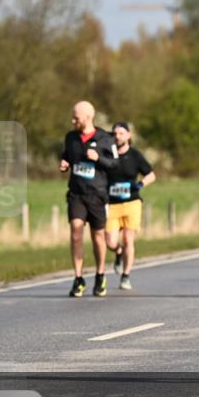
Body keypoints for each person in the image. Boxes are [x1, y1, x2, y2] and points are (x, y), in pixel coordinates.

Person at [60, 101, 118, 297]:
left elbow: (114, 164)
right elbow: (67, 155)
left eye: (76, 117)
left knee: (98, 237)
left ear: (87, 118)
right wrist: (65, 162)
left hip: (97, 194)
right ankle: (78, 278)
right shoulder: (71, 138)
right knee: (76, 231)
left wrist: (98, 159)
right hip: (76, 193)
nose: (73, 120)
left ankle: (100, 275)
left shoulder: (105, 139)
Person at [105, 122, 155, 290]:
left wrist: (140, 185)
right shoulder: (108, 155)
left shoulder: (135, 156)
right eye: (114, 134)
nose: (117, 136)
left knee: (128, 239)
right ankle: (118, 253)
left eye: (121, 133)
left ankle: (126, 276)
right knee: (110, 242)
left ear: (128, 136)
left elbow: (151, 174)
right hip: (112, 203)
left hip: (132, 202)